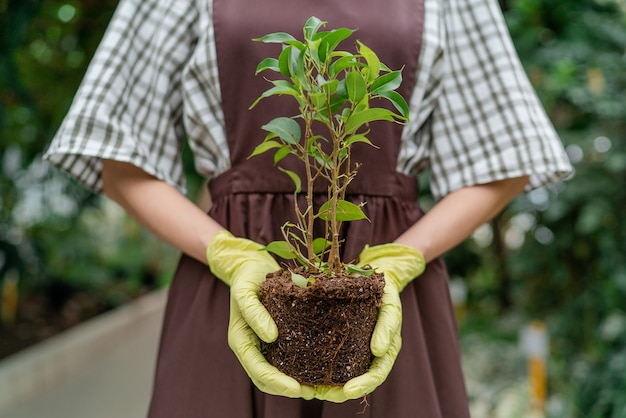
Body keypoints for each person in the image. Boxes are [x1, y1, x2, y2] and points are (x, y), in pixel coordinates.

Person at [44, 0, 572, 416]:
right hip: (230, 289)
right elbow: (117, 157)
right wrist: (228, 253)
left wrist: (403, 258)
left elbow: (504, 160)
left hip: (388, 294)